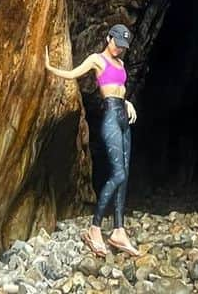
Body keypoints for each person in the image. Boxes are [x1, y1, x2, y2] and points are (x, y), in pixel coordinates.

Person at [45, 23, 140, 258]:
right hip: (109, 116)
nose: (119, 49)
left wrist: (127, 102)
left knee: (125, 175)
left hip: (123, 116)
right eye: (117, 44)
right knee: (117, 173)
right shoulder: (97, 59)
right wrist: (49, 67)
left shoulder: (121, 63)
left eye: (123, 46)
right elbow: (73, 74)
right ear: (109, 38)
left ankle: (118, 231)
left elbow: (120, 88)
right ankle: (94, 228)